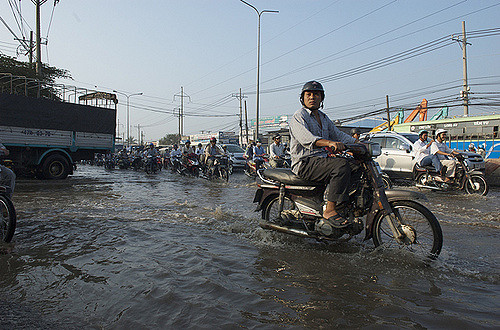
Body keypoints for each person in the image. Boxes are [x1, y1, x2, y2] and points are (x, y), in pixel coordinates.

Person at [289, 80, 357, 228]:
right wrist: (329, 143)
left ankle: (342, 204)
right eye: (309, 94)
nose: (312, 97)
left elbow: (338, 135)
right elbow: (306, 139)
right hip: (305, 163)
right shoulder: (298, 116)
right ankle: (330, 210)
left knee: (356, 165)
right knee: (340, 166)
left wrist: (360, 144)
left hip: (321, 161)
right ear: (303, 98)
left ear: (321, 98)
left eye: (316, 94)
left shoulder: (324, 117)